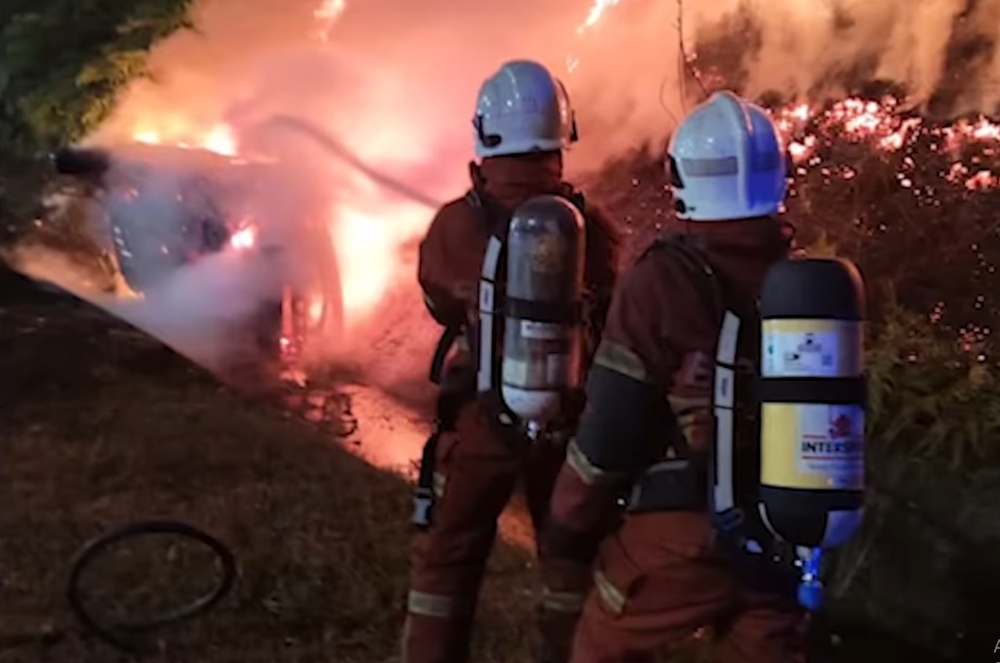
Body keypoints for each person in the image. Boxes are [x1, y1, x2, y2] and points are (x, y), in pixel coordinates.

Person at [539, 90, 807, 663]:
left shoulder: (663, 282)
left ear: (684, 178)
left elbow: (609, 434)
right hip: (787, 540)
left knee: (599, 647)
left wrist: (567, 522)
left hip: (686, 532)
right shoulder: (808, 286)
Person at [402, 59, 620, 663]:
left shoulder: (455, 224)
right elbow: (610, 312)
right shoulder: (590, 226)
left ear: (485, 133)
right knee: (569, 563)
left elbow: (438, 302)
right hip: (568, 422)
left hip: (482, 418)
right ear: (560, 136)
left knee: (448, 558)